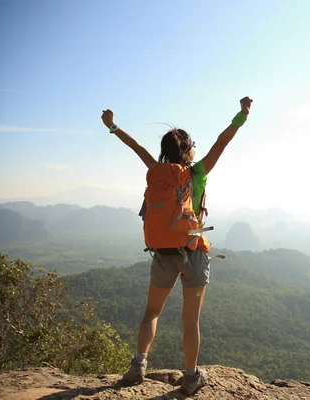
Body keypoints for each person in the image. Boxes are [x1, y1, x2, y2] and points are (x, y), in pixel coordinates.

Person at [100, 96, 253, 395]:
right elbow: (222, 142)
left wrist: (113, 126)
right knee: (190, 320)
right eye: (193, 143)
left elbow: (137, 148)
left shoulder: (156, 171)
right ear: (188, 150)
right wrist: (242, 115)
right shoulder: (197, 172)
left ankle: (138, 366)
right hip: (193, 253)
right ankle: (192, 376)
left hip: (162, 254)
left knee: (151, 312)